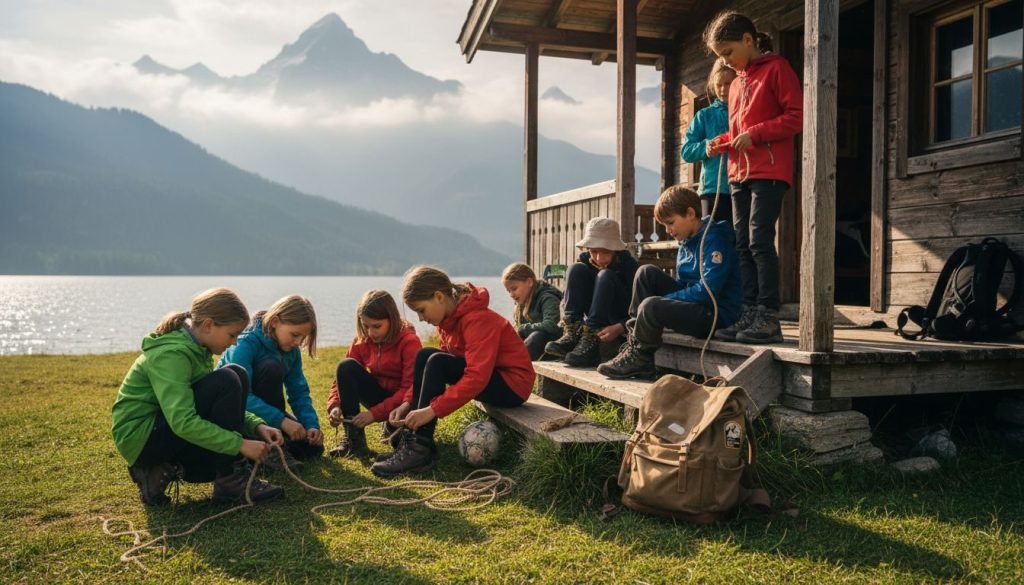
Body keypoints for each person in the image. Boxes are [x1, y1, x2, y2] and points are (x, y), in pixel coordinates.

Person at [111, 288, 284, 506]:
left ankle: (162, 470)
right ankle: (228, 479)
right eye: (232, 335)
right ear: (209, 325)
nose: (234, 343)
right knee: (228, 379)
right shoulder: (172, 355)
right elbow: (183, 422)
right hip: (141, 439)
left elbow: (213, 406)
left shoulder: (196, 347)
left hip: (163, 430)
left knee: (235, 373)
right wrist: (239, 444)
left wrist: (256, 426)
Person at [371, 266, 535, 478]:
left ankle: (419, 449)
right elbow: (432, 366)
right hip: (493, 379)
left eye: (421, 310)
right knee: (426, 356)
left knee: (437, 361)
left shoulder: (477, 319)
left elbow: (476, 377)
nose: (421, 319)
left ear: (439, 296)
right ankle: (418, 445)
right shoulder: (449, 320)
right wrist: (407, 402)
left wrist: (432, 410)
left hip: (513, 386)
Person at [704, 10, 803, 344]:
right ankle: (748, 312)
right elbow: (736, 131)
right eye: (721, 57)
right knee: (742, 243)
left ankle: (768, 315)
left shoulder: (778, 69)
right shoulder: (736, 83)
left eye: (728, 53)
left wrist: (757, 134)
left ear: (748, 40)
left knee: (760, 240)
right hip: (738, 173)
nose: (727, 62)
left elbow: (795, 118)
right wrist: (719, 143)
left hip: (769, 171)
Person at [598, 186, 742, 380]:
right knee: (645, 272)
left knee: (652, 305)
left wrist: (665, 300)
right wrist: (668, 301)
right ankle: (637, 349)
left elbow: (707, 291)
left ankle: (639, 357)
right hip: (697, 306)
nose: (668, 231)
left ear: (690, 213)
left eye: (671, 223)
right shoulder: (686, 240)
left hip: (716, 315)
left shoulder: (714, 240)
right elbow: (685, 284)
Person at [218, 294, 323, 471]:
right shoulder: (245, 343)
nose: (298, 342)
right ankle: (271, 449)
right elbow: (244, 397)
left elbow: (298, 391)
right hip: (237, 414)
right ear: (274, 321)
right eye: (295, 335)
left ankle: (268, 448)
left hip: (269, 415)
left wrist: (311, 424)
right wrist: (282, 421)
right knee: (271, 367)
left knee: (313, 449)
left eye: (303, 337)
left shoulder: (291, 350)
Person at [326, 289, 421, 458]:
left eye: (377, 326)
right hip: (381, 396)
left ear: (391, 319)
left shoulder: (409, 342)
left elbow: (410, 389)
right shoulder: (362, 340)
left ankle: (392, 427)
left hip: (405, 403)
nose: (371, 332)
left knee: (397, 442)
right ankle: (354, 442)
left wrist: (374, 414)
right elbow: (341, 378)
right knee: (345, 366)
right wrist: (334, 406)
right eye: (365, 326)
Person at [544, 217, 639, 367]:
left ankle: (590, 344)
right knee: (575, 268)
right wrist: (567, 304)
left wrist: (621, 325)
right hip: (593, 316)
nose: (599, 258)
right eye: (593, 251)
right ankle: (572, 333)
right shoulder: (585, 261)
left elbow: (640, 306)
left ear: (615, 250)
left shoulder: (629, 266)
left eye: (606, 252)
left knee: (605, 275)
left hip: (619, 317)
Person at [681, 59, 737, 223]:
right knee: (714, 237)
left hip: (742, 187)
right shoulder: (704, 115)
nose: (722, 89)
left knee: (740, 241)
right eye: (718, 84)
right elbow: (686, 151)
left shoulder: (745, 113)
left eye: (728, 83)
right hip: (713, 188)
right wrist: (706, 147)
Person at [502, 262, 563, 360]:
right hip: (534, 350)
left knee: (536, 337)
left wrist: (522, 329)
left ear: (529, 282)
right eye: (509, 291)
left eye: (514, 289)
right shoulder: (521, 303)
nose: (511, 294)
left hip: (553, 347)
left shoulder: (548, 298)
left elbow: (553, 325)